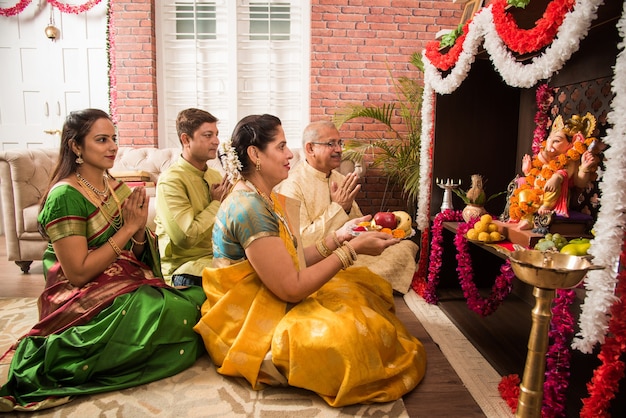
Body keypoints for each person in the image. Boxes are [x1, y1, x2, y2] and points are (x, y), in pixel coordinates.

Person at [194, 114, 426, 407]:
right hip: (247, 317)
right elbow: (291, 288)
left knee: (361, 293)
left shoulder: (261, 197)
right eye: (281, 147)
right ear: (254, 154)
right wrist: (351, 251)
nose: (291, 154)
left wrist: (339, 237)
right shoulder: (248, 208)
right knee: (350, 338)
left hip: (270, 293)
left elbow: (291, 257)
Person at [0, 109, 206, 412]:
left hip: (122, 282)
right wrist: (127, 229)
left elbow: (136, 254)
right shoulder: (65, 196)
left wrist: (137, 234)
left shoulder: (113, 187)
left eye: (113, 138)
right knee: (179, 315)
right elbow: (78, 273)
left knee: (200, 299)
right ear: (76, 146)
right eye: (101, 140)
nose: (113, 147)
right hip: (84, 298)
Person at [276, 120, 419, 293]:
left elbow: (357, 226)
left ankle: (369, 283)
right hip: (320, 260)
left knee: (403, 247)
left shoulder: (340, 179)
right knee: (367, 269)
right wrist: (339, 208)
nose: (339, 149)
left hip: (349, 247)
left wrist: (374, 229)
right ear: (310, 149)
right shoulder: (292, 185)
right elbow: (302, 242)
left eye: (339, 143)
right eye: (331, 144)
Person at [154, 108, 230, 286]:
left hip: (217, 259)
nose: (216, 141)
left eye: (216, 135)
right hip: (184, 269)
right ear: (186, 139)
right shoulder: (171, 181)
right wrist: (217, 203)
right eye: (208, 135)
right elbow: (185, 237)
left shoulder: (214, 176)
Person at [509, 113, 599, 230]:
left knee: (556, 179)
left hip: (554, 197)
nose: (550, 145)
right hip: (537, 192)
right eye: (549, 140)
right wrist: (527, 172)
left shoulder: (570, 159)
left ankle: (545, 206)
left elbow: (578, 183)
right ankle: (527, 218)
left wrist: (584, 168)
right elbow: (538, 175)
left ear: (573, 142)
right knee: (523, 191)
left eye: (556, 141)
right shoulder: (548, 158)